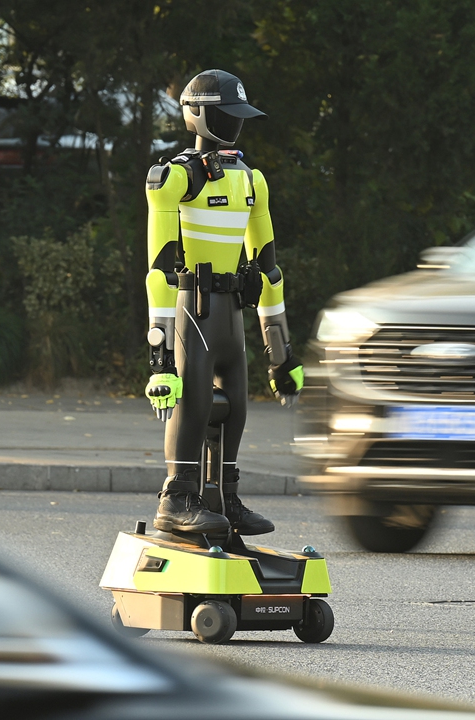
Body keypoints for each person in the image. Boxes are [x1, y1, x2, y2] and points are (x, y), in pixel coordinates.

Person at [143, 69, 304, 536]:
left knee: (235, 405)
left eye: (239, 116)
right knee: (193, 403)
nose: (235, 125)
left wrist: (282, 358)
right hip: (193, 307)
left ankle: (223, 496)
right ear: (196, 115)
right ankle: (177, 498)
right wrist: (159, 362)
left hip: (231, 310)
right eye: (226, 115)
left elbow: (269, 273)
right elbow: (159, 271)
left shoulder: (253, 181)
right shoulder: (175, 178)